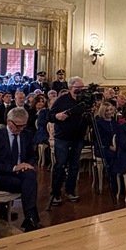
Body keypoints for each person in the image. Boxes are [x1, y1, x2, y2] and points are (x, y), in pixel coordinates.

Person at [0, 107, 43, 232]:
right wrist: (14, 168)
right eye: (18, 126)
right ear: (9, 122)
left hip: (20, 173)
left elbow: (31, 155)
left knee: (29, 175)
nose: (20, 129)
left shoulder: (26, 134)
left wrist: (26, 165)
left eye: (23, 126)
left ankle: (30, 218)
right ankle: (31, 219)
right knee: (29, 182)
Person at [48, 76, 90, 205]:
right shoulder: (62, 100)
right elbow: (50, 116)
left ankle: (70, 190)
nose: (80, 90)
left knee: (74, 166)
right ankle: (55, 193)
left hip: (78, 137)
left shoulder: (84, 100)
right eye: (78, 88)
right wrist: (58, 116)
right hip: (63, 138)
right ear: (71, 88)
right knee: (60, 165)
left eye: (82, 88)